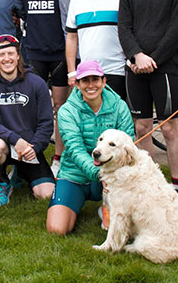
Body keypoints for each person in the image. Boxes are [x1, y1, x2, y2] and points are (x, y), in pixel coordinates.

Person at [118, 0, 178, 197]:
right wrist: (137, 56)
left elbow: (177, 30)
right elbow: (124, 28)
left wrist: (153, 59)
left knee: (170, 128)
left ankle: (176, 185)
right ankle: (148, 183)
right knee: (142, 127)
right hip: (135, 68)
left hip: (165, 69)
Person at [47, 60, 134, 235]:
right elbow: (75, 149)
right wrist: (98, 173)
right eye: (85, 80)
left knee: (128, 228)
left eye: (95, 79)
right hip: (74, 174)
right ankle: (77, 202)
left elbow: (128, 144)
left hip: (112, 175)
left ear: (104, 81)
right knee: (57, 229)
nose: (91, 85)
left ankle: (106, 207)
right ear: (77, 84)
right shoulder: (67, 111)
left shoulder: (119, 106)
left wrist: (109, 174)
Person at [0, 34, 55, 206]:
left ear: (18, 55)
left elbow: (46, 123)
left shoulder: (37, 83)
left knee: (47, 194)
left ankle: (21, 173)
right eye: (2, 55)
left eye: (11, 54)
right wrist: (16, 141)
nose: (7, 59)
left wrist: (34, 147)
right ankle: (3, 180)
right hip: (5, 145)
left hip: (31, 147)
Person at [17, 0, 69, 166]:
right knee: (32, 107)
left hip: (58, 54)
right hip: (34, 54)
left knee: (60, 107)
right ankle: (30, 154)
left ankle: (59, 156)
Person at [65, 0, 127, 99]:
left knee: (117, 119)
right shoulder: (76, 0)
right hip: (88, 73)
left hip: (116, 71)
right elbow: (72, 38)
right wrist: (72, 71)